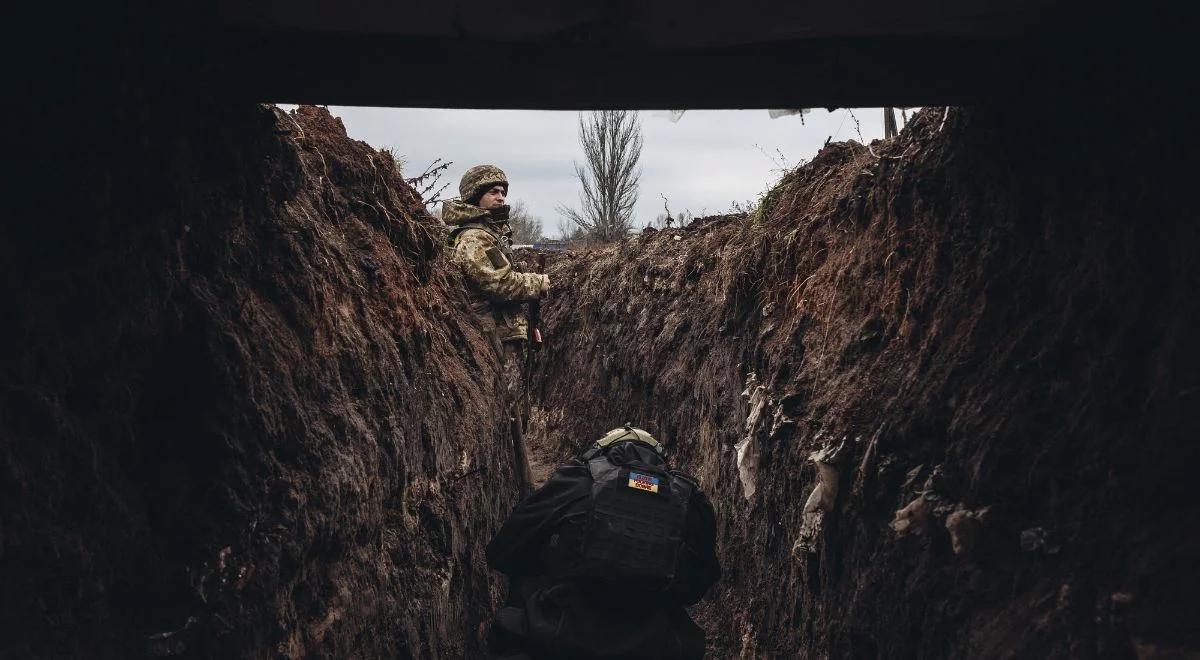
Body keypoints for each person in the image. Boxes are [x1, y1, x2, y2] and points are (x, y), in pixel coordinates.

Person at [485, 426, 721, 660]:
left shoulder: (578, 478)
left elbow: (504, 551)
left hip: (560, 633)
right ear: (658, 459)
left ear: (603, 451)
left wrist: (554, 562)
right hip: (655, 644)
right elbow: (695, 587)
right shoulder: (690, 499)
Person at [444, 165, 549, 492]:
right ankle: (514, 490)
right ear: (476, 197)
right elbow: (497, 284)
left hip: (503, 334)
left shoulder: (490, 234)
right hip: (491, 338)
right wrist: (537, 283)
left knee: (516, 413)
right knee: (507, 416)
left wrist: (527, 326)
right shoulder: (474, 237)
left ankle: (518, 485)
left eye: (503, 190)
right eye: (493, 191)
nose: (500, 195)